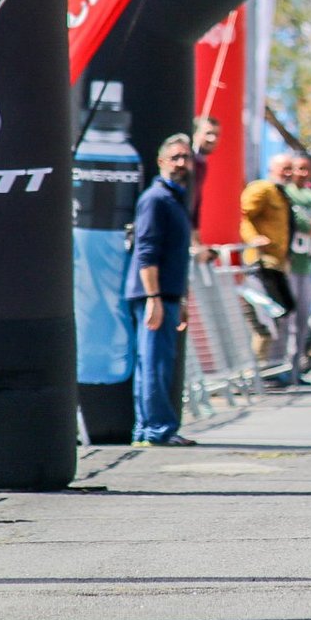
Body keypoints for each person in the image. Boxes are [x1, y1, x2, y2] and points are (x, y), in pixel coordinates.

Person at [126, 135, 196, 447]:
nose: (182, 163)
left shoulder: (174, 200)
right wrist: (154, 297)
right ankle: (157, 429)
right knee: (154, 363)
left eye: (186, 157)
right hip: (153, 296)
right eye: (176, 157)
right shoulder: (155, 199)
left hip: (167, 294)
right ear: (161, 161)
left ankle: (148, 429)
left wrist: (178, 296)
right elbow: (146, 252)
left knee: (154, 362)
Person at [240, 153, 298, 382]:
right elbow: (243, 214)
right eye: (285, 168)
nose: (289, 173)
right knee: (264, 318)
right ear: (271, 167)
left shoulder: (282, 194)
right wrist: (254, 239)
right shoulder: (261, 189)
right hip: (260, 263)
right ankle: (254, 374)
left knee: (281, 312)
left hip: (277, 265)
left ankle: (269, 371)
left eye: (291, 168)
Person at [284, 154, 311, 382]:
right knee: (288, 320)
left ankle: (298, 365)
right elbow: (298, 221)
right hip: (290, 263)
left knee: (302, 318)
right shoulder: (286, 193)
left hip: (307, 264)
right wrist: (310, 224)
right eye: (298, 168)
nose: (301, 173)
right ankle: (285, 368)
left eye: (306, 169)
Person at [188, 116, 220, 259]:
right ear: (195, 134)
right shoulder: (188, 162)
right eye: (208, 133)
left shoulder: (201, 164)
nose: (212, 139)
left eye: (216, 135)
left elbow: (196, 202)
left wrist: (196, 238)